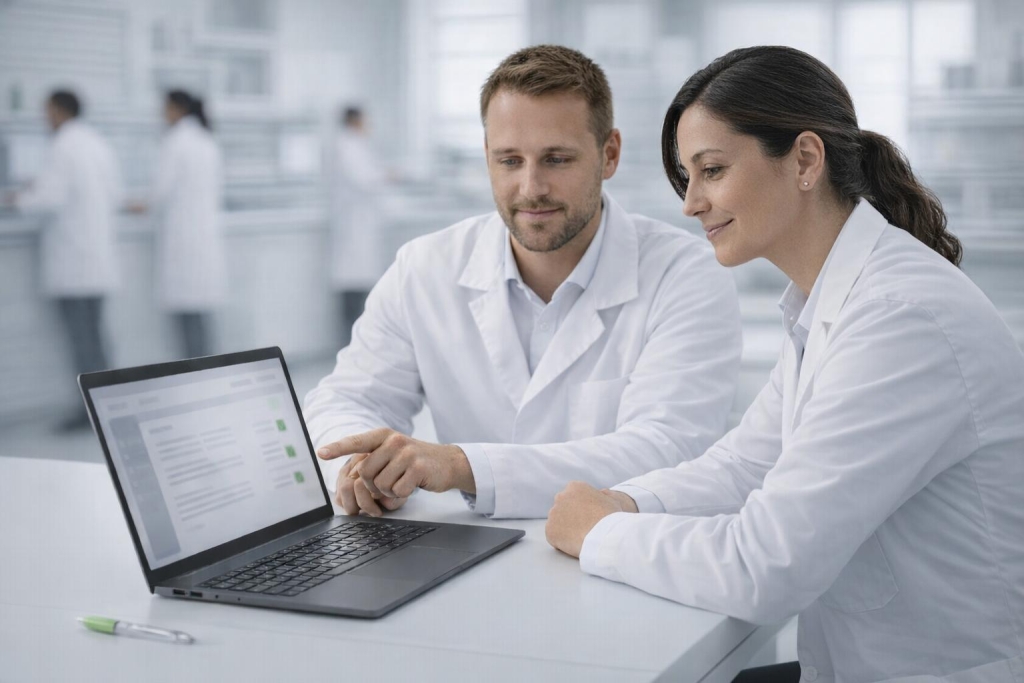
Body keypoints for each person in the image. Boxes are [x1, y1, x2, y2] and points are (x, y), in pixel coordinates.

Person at [545, 46, 1024, 681]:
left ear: (804, 160)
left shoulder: (900, 317)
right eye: (688, 177)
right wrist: (622, 504)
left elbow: (767, 567)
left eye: (711, 170)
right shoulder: (830, 300)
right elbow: (746, 464)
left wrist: (599, 534)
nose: (691, 203)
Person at [306, 45, 743, 519]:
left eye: (556, 159)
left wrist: (459, 465)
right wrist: (359, 470)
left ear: (609, 154)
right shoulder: (424, 268)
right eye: (510, 160)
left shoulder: (685, 275)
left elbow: (665, 447)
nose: (531, 188)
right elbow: (346, 399)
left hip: (618, 559)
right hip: (466, 555)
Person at [4, 90, 122, 431]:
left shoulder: (62, 146)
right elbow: (114, 194)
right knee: (96, 337)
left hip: (74, 260)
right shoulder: (97, 143)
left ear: (58, 110)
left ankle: (90, 413)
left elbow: (50, 197)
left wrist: (20, 198)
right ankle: (108, 407)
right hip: (96, 258)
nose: (45, 118)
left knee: (83, 339)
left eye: (47, 111)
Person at [128, 90, 226, 359]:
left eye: (165, 108)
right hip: (202, 237)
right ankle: (208, 375)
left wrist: (139, 205)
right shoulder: (207, 141)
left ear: (177, 109)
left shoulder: (176, 142)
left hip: (184, 240)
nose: (162, 114)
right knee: (200, 319)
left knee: (189, 320)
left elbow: (160, 192)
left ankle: (196, 379)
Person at [328, 105, 390, 348]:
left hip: (359, 224)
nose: (369, 125)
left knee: (359, 284)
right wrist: (388, 175)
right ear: (355, 120)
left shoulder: (353, 145)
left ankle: (358, 343)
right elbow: (364, 180)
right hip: (352, 226)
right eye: (366, 119)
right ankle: (351, 344)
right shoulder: (346, 145)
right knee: (353, 285)